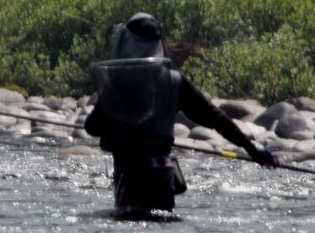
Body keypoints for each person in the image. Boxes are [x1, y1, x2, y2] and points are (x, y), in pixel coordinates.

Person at [82, 13, 278, 220]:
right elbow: (215, 118)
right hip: (163, 178)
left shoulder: (119, 84)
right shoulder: (175, 81)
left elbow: (92, 127)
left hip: (131, 179)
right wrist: (253, 150)